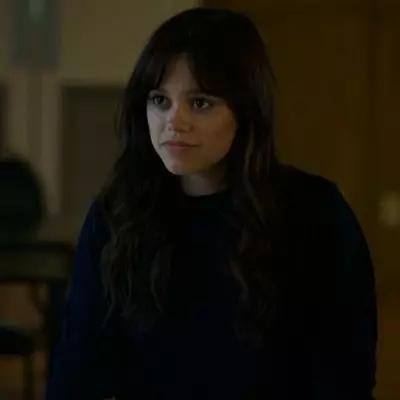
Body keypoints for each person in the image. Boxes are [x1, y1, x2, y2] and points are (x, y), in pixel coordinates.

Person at [46, 7, 377, 400]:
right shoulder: (116, 215)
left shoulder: (316, 214)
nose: (175, 122)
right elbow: (78, 368)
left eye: (200, 103)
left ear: (246, 111)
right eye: (159, 100)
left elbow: (345, 377)